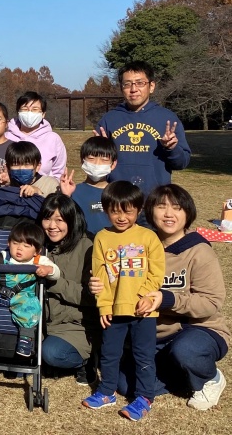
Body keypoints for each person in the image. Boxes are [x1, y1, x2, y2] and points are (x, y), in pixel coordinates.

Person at [91, 185, 230, 411]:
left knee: (186, 351)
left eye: (177, 208)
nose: (168, 214)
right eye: (161, 207)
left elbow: (211, 303)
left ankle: (210, 378)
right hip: (153, 335)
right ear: (148, 211)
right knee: (125, 385)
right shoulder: (137, 242)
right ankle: (181, 373)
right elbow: (111, 274)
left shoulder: (199, 251)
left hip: (194, 329)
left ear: (188, 212)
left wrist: (167, 299)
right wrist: (98, 285)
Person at [83, 181, 165, 422]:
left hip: (144, 311)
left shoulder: (148, 237)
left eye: (128, 211)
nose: (121, 217)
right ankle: (107, 391)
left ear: (139, 210)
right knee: (109, 353)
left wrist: (145, 296)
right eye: (115, 211)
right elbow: (99, 277)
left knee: (143, 355)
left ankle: (145, 397)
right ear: (106, 210)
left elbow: (157, 273)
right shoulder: (102, 238)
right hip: (114, 310)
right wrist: (104, 306)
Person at [95, 61, 191, 197]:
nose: (133, 89)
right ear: (121, 87)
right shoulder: (109, 120)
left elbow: (182, 163)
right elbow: (94, 166)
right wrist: (100, 151)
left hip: (155, 200)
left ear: (151, 86)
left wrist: (172, 148)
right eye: (127, 84)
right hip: (117, 199)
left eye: (140, 83)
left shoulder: (167, 119)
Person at [0, 222, 60, 358]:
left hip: (22, 296)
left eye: (26, 246)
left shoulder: (39, 260)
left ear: (37, 251)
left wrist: (48, 270)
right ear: (8, 243)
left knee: (30, 307)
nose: (19, 248)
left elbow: (56, 272)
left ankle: (26, 339)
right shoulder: (2, 256)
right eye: (15, 243)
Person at [37, 194, 97, 385]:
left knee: (52, 353)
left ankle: (86, 360)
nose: (52, 226)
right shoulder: (38, 245)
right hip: (41, 322)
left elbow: (91, 296)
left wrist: (55, 283)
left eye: (59, 220)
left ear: (72, 220)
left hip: (75, 324)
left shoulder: (88, 247)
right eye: (47, 219)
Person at [60, 136, 117, 236]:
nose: (97, 164)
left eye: (104, 160)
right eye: (91, 158)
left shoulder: (118, 192)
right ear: (82, 161)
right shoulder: (73, 191)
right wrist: (65, 197)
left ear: (113, 164)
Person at [5, 91, 67, 179]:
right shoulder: (6, 137)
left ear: (43, 114)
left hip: (44, 187)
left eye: (35, 109)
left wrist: (50, 186)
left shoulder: (53, 139)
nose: (29, 113)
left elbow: (59, 173)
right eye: (25, 109)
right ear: (18, 112)